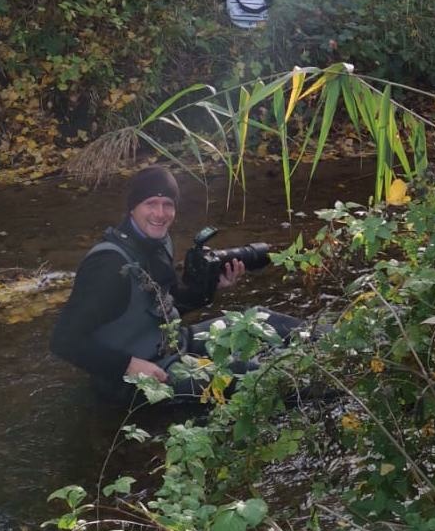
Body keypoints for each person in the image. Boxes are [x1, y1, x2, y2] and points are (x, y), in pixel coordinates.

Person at [50, 165, 303, 404]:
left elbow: (165, 306)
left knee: (262, 319)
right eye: (151, 203)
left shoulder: (159, 242)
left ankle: (324, 344)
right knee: (254, 375)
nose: (160, 214)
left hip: (176, 343)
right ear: (132, 208)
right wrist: (128, 365)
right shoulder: (107, 265)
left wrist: (210, 286)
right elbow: (63, 340)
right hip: (137, 379)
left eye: (167, 204)